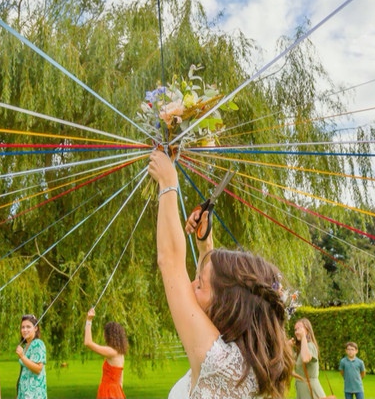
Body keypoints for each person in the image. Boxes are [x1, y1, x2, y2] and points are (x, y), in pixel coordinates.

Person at [148, 150, 294, 399]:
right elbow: (216, 284)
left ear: (226, 306)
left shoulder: (218, 363)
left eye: (200, 285)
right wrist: (206, 246)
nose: (191, 284)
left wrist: (168, 183)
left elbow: (170, 261)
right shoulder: (240, 363)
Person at [84, 307, 128, 399]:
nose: (104, 335)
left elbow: (88, 342)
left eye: (105, 333)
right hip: (116, 391)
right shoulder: (120, 353)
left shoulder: (111, 352)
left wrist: (88, 321)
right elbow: (120, 381)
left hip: (108, 392)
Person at [293, 318, 326, 399]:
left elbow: (305, 358)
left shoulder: (310, 346)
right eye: (295, 329)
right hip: (303, 388)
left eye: (300, 328)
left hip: (311, 389)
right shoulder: (301, 348)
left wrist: (303, 337)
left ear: (307, 330)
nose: (297, 332)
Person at [16, 314, 47, 399]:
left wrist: (22, 356)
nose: (25, 330)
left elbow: (38, 369)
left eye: (28, 327)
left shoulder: (38, 344)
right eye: (23, 327)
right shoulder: (26, 346)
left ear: (36, 328)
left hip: (34, 393)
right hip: (24, 392)